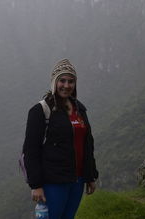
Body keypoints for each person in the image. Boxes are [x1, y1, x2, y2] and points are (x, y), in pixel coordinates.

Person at [22, 59, 99, 219]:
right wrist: (36, 185)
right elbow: (31, 150)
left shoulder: (79, 108)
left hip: (77, 180)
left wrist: (90, 176)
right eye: (62, 80)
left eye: (71, 81)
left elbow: (87, 144)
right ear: (54, 82)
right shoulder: (41, 110)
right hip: (53, 182)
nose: (66, 85)